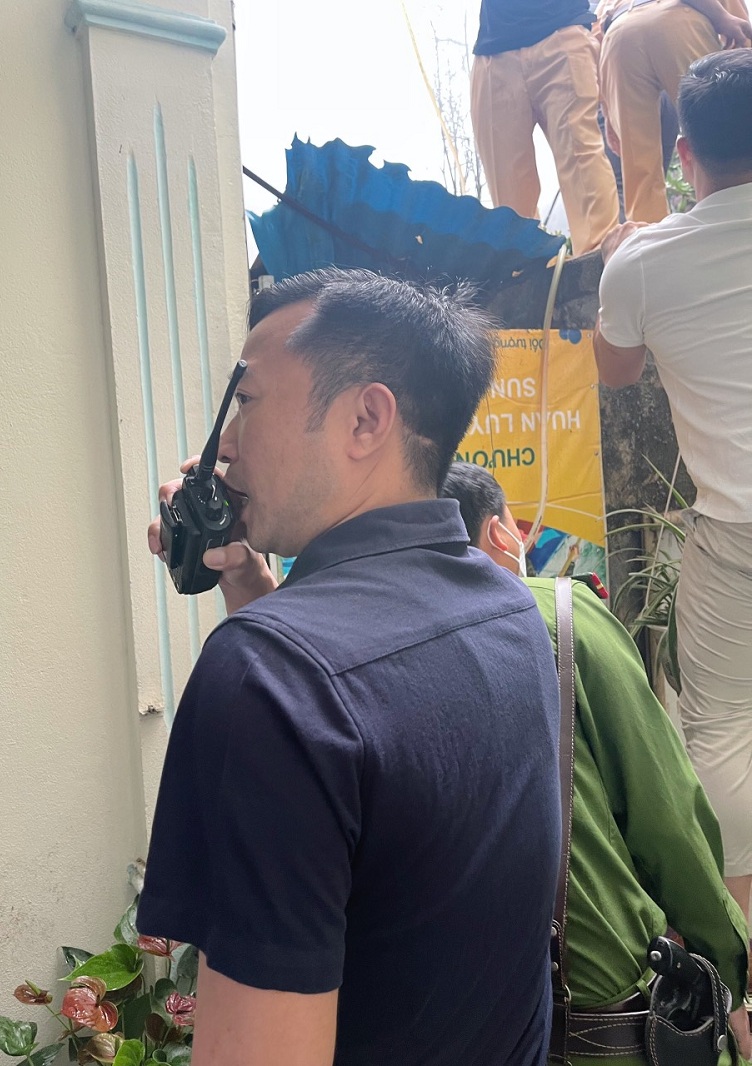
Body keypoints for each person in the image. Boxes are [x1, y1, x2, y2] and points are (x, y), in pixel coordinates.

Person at [137, 269, 562, 1066]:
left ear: (366, 418)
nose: (223, 443)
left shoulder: (270, 677)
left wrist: (266, 633)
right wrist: (252, 592)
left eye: (246, 401)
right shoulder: (511, 613)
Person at [441, 462, 751, 1064]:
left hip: (453, 1021)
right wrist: (726, 969)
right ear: (500, 533)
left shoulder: (371, 648)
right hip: (594, 1017)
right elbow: (667, 817)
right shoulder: (561, 617)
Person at [595, 48, 752, 940]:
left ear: (684, 154)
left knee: (720, 730)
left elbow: (616, 370)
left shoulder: (645, 263)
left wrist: (628, 253)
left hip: (734, 530)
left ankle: (739, 950)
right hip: (728, 531)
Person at [470, 0, 620, 257]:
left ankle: (603, 270)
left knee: (585, 174)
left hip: (563, 33)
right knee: (509, 209)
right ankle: (527, 275)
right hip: (494, 52)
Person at [597, 0, 752, 223]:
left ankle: (648, 234)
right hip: (676, 19)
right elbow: (743, 49)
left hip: (619, 36)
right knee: (727, 134)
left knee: (640, 172)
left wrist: (609, 114)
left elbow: (598, 38)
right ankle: (736, 224)